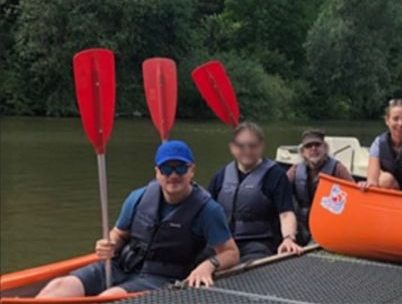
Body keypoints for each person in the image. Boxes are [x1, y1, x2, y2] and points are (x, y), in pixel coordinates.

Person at [37, 141, 238, 298]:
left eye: (180, 168)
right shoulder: (138, 197)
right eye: (166, 169)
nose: (173, 175)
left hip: (161, 277)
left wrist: (208, 265)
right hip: (121, 265)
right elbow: (119, 233)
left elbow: (231, 252)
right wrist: (110, 243)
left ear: (192, 170)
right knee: (58, 287)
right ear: (157, 172)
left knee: (110, 297)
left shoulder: (208, 210)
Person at [207, 122, 302, 262]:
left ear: (261, 146)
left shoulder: (276, 176)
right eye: (241, 146)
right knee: (198, 260)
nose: (247, 150)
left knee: (251, 269)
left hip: (259, 243)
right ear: (232, 147)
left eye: (252, 146)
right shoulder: (220, 176)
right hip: (225, 242)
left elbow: (286, 213)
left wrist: (288, 238)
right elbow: (206, 212)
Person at [286, 130, 354, 245]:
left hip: (327, 225)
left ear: (325, 148)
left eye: (317, 145)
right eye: (308, 146)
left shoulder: (338, 168)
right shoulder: (295, 170)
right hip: (301, 224)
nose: (313, 148)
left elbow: (353, 194)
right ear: (303, 152)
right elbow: (280, 189)